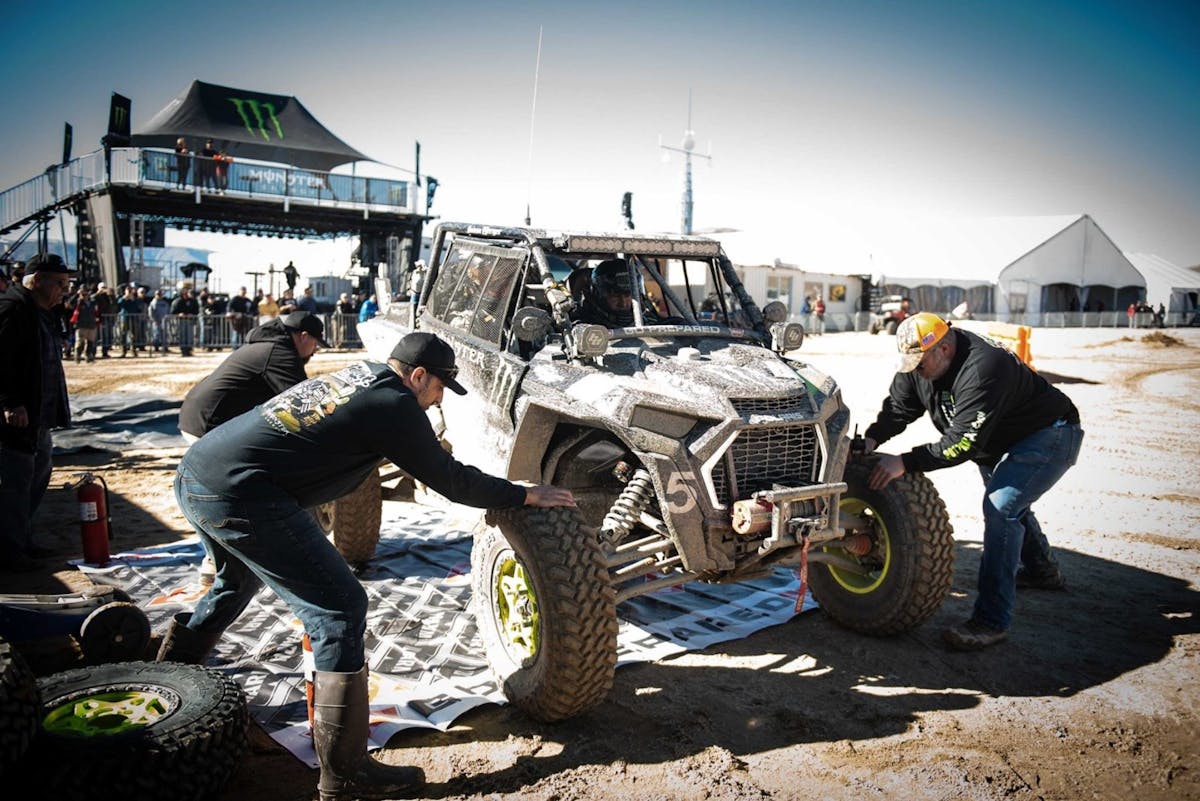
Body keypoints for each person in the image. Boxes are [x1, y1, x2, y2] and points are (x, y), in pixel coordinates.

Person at [158, 331, 576, 799]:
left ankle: (163, 684)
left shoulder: (362, 376)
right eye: (439, 389)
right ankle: (346, 774)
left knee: (233, 583)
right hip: (239, 492)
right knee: (338, 608)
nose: (438, 401)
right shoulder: (394, 404)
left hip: (199, 471)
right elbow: (451, 482)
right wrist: (523, 494)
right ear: (418, 376)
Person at [862, 313, 1083, 651]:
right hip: (998, 437)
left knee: (1001, 507)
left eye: (920, 364)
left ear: (945, 349)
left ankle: (991, 621)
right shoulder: (919, 363)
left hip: (1049, 433)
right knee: (1011, 504)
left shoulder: (984, 367)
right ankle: (1042, 572)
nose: (915, 371)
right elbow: (899, 407)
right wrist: (873, 439)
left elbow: (962, 443)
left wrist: (905, 462)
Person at [0, 254, 74, 572]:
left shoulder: (43, 313)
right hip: (18, 415)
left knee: (38, 475)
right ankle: (9, 549)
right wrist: (8, 402)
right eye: (59, 284)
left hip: (40, 416)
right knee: (15, 482)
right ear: (36, 280)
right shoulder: (13, 309)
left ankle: (22, 538)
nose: (63, 291)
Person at [179, 311, 327, 440]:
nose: (315, 351)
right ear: (304, 336)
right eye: (316, 344)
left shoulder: (269, 345)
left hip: (197, 417)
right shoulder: (280, 353)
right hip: (208, 425)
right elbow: (304, 400)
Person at [70, 284, 99, 362]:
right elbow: (69, 304)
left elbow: (96, 312)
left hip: (91, 324)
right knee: (80, 342)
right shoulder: (78, 302)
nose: (85, 295)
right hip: (81, 325)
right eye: (83, 293)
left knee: (90, 342)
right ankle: (77, 356)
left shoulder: (92, 302)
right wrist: (77, 295)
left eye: (86, 293)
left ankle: (88, 356)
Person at [172, 286, 199, 356]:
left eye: (187, 292)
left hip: (190, 320)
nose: (186, 294)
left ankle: (189, 350)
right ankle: (183, 350)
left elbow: (196, 310)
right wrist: (179, 314)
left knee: (190, 336)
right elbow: (173, 312)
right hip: (181, 321)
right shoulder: (178, 301)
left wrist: (192, 314)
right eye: (184, 293)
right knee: (182, 335)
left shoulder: (192, 301)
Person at [149, 289, 172, 353]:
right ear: (155, 295)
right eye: (158, 294)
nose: (159, 296)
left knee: (165, 335)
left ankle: (165, 347)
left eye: (160, 294)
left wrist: (168, 318)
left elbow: (168, 311)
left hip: (164, 321)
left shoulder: (165, 303)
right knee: (156, 334)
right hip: (156, 321)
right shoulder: (153, 303)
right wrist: (153, 320)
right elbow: (150, 312)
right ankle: (156, 347)